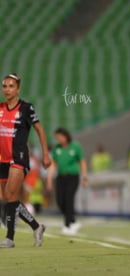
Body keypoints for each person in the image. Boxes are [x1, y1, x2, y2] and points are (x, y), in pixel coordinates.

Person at [0, 73, 50, 248]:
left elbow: (40, 130)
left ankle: (9, 238)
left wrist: (45, 154)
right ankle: (37, 227)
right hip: (3, 159)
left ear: (18, 88)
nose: (7, 89)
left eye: (11, 86)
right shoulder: (0, 108)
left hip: (18, 157)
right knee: (9, 199)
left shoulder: (26, 108)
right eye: (4, 86)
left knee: (9, 195)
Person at [47, 127, 88, 235]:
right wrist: (49, 179)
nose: (58, 139)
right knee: (60, 201)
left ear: (65, 136)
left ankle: (67, 224)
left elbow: (82, 162)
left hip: (73, 177)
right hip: (60, 177)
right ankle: (73, 221)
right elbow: (53, 164)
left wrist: (84, 177)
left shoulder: (76, 146)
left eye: (59, 137)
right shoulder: (57, 148)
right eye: (56, 138)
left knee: (69, 199)